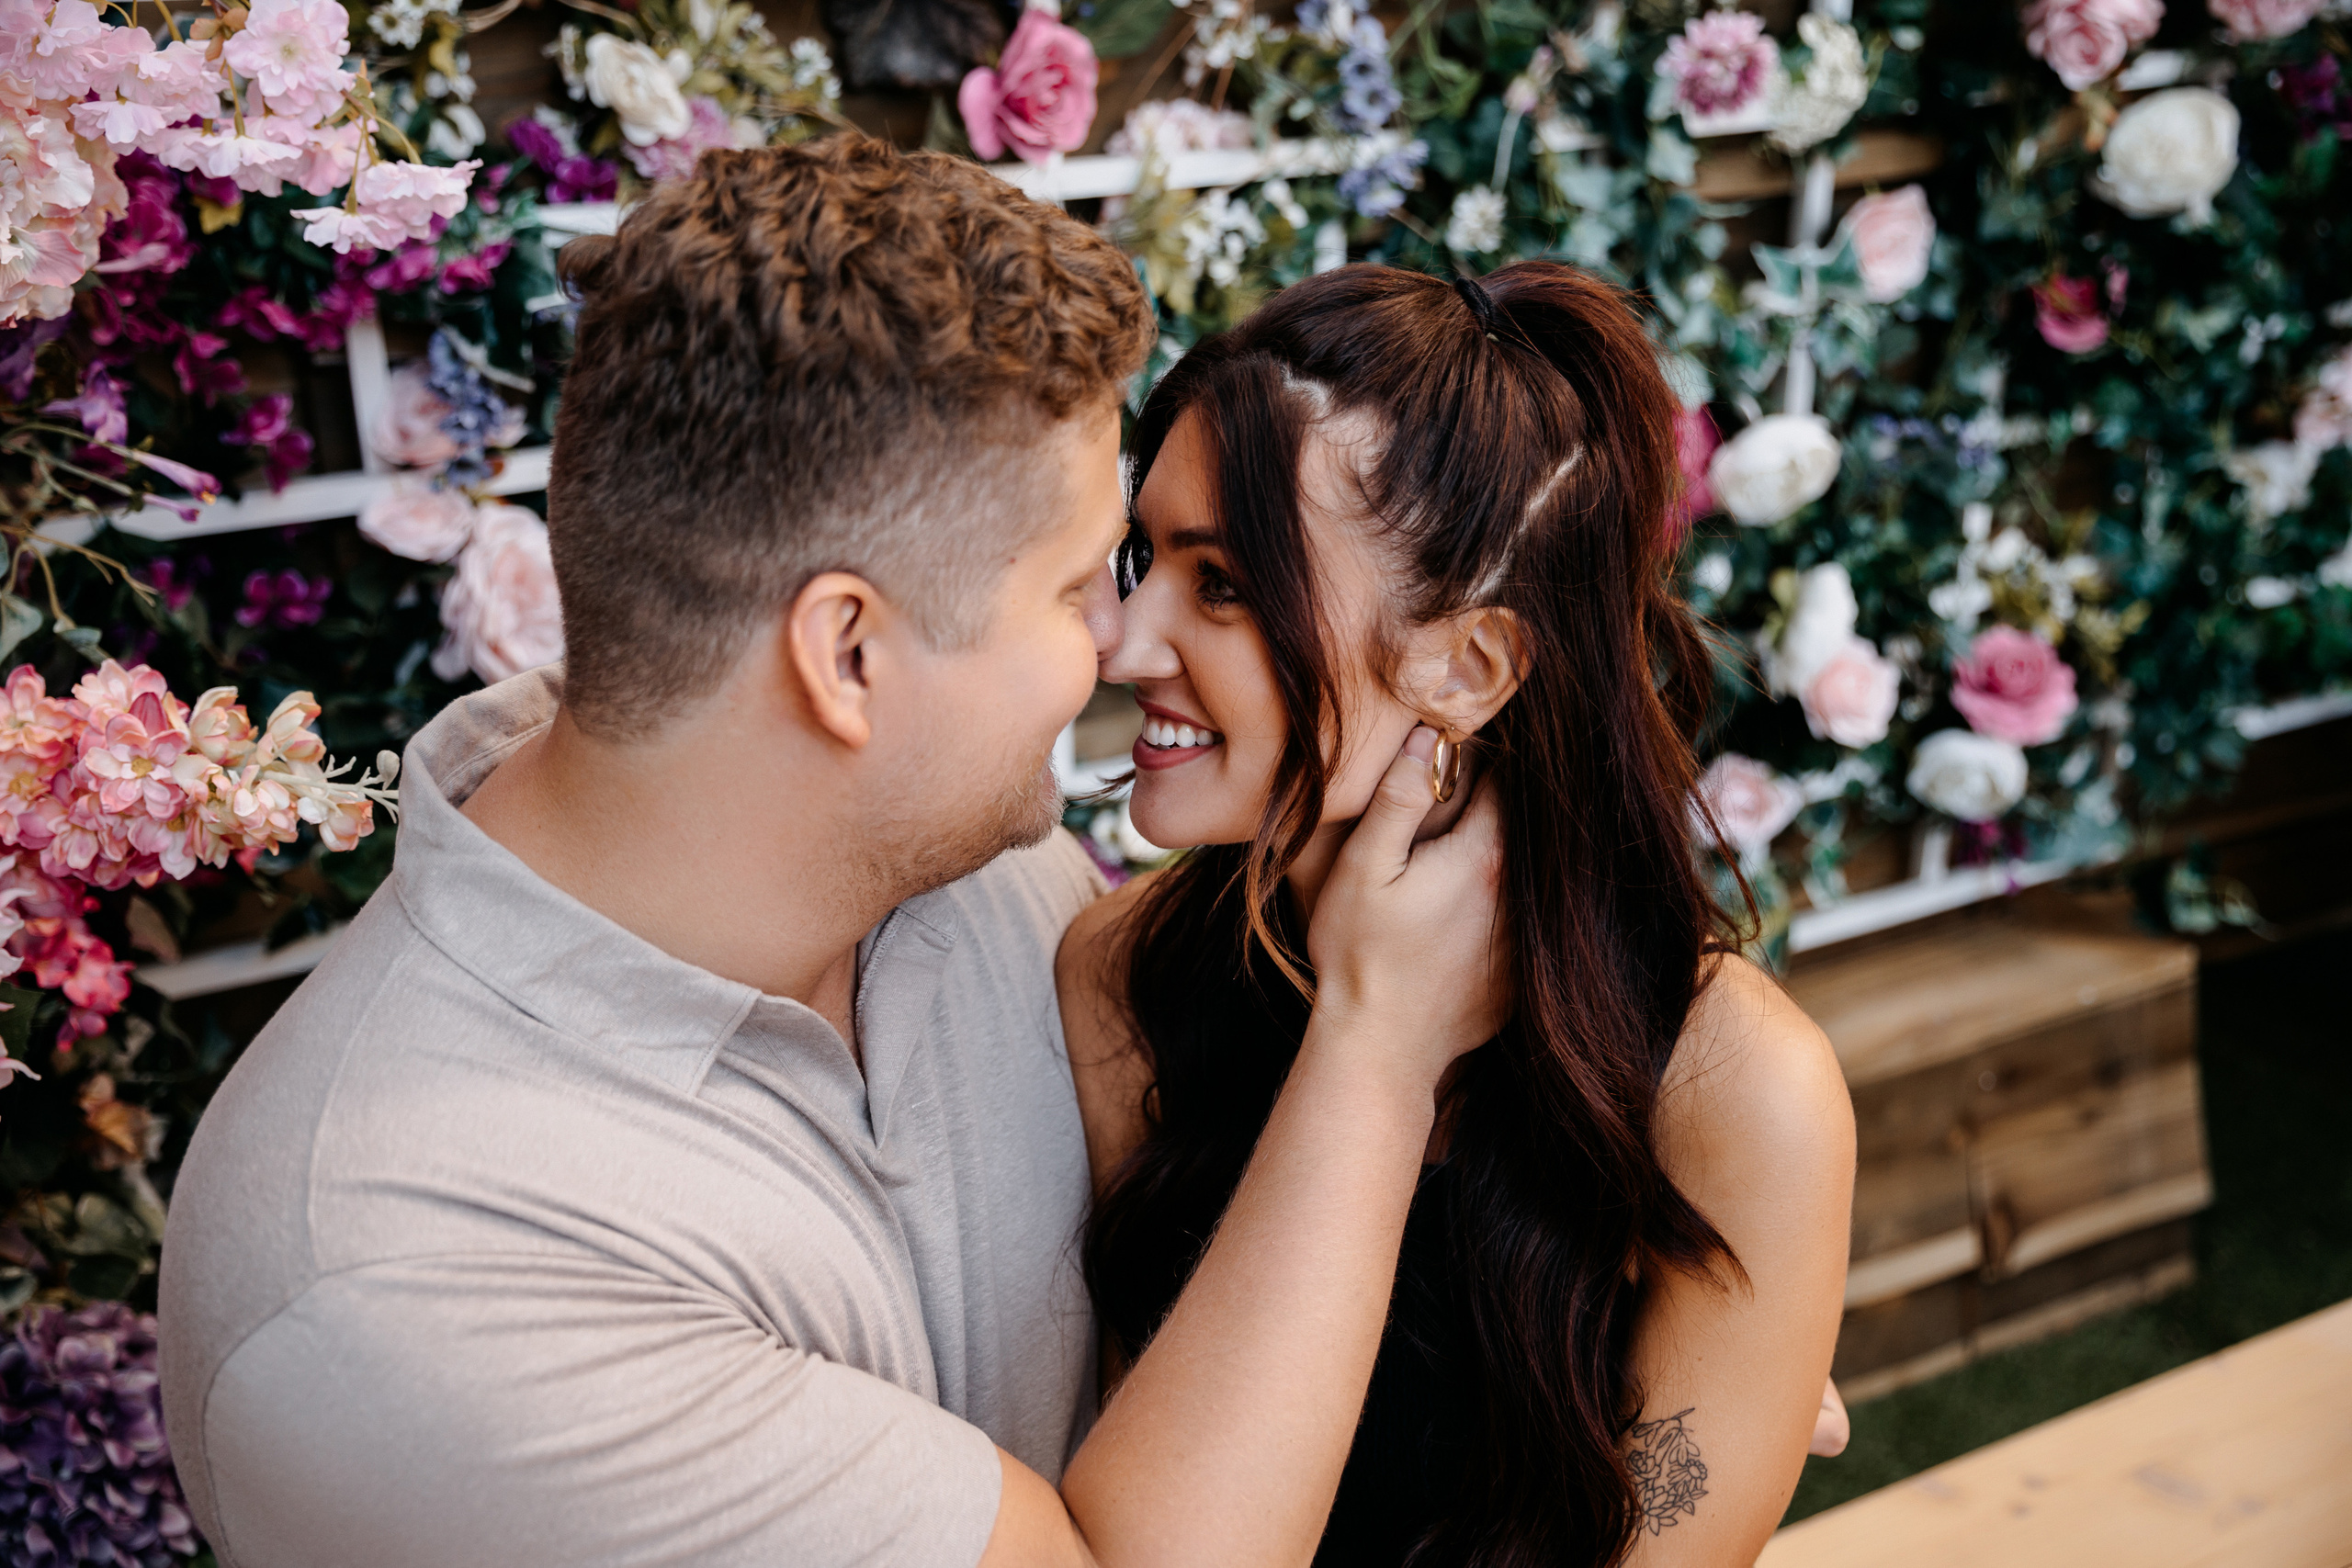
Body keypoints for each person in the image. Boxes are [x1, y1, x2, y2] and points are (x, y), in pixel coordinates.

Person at [157, 138, 1508, 1566]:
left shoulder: (976, 877)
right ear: (848, 654)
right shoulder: (413, 1278)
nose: (1119, 646)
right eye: (1075, 588)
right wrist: (1379, 1045)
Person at [1061, 262, 1859, 1567]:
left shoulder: (1736, 1095)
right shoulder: (1123, 982)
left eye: (1225, 586)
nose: (1122, 641)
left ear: (1470, 666)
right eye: (1146, 560)